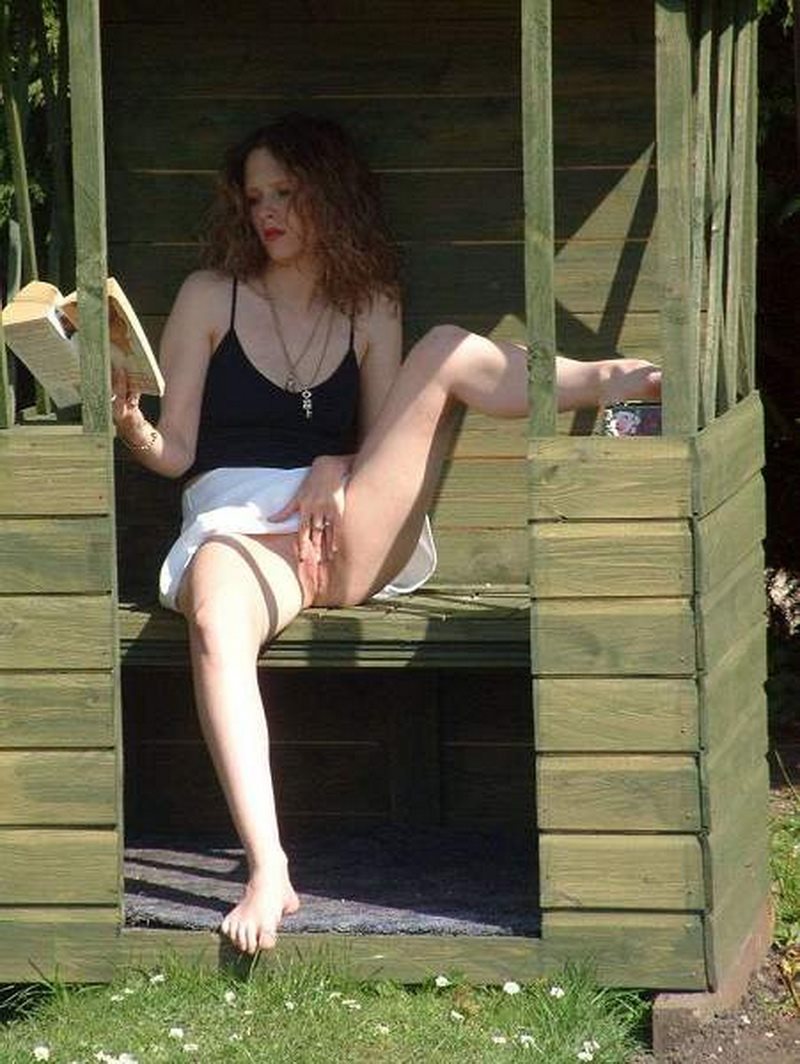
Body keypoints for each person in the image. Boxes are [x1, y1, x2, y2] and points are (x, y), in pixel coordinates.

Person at [112, 113, 661, 955]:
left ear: (329, 193)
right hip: (240, 529)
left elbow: (381, 443)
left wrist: (334, 465)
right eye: (255, 197)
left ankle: (622, 383)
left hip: (344, 524)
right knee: (216, 622)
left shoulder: (370, 303)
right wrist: (134, 428)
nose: (268, 211)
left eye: (286, 192)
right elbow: (177, 450)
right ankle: (269, 868)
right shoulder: (209, 295)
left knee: (443, 351)